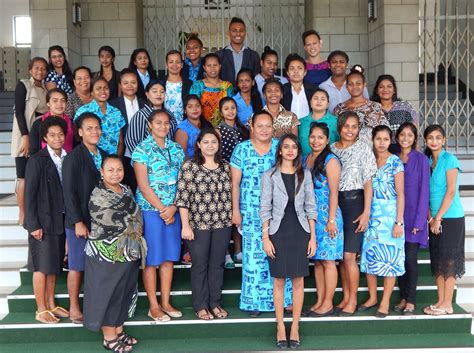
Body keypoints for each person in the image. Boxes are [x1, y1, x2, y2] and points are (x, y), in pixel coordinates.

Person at [230, 111, 292, 316]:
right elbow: (235, 184)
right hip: (250, 211)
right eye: (260, 125)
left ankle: (284, 300)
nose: (264, 129)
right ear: (252, 126)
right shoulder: (242, 149)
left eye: (268, 125)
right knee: (253, 257)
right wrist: (236, 211)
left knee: (280, 254)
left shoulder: (279, 148)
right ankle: (254, 301)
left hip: (279, 212)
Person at [84, 155, 146, 352]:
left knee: (123, 291)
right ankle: (108, 337)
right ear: (102, 172)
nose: (115, 173)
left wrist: (132, 223)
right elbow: (112, 219)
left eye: (119, 169)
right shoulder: (98, 194)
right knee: (106, 293)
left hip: (128, 251)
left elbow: (136, 214)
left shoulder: (126, 189)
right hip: (105, 253)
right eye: (110, 170)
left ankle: (118, 329)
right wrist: (131, 221)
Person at [260, 134, 317, 349]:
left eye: (294, 147)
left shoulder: (305, 175)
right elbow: (264, 208)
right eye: (286, 146)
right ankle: (280, 326)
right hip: (278, 232)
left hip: (300, 231)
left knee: (298, 280)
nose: (291, 150)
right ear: (280, 150)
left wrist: (312, 237)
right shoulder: (270, 175)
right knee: (279, 281)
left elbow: (310, 207)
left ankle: (295, 326)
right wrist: (266, 237)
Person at [132, 109, 185, 322]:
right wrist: (163, 209)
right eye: (158, 123)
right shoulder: (142, 149)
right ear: (149, 125)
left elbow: (183, 181)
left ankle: (165, 302)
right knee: (152, 259)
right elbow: (143, 185)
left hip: (173, 210)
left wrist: (173, 207)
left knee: (169, 258)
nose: (163, 126)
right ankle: (153, 306)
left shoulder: (176, 149)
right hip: (151, 210)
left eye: (166, 123)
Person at [176, 129, 233, 320]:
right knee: (200, 265)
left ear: (219, 145)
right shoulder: (190, 166)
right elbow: (183, 198)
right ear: (198, 144)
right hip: (197, 224)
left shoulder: (225, 166)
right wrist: (185, 226)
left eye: (214, 142)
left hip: (222, 223)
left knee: (217, 264)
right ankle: (201, 305)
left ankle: (215, 303)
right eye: (206, 142)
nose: (210, 145)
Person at [62, 112, 107, 325]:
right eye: (89, 128)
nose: (94, 131)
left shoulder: (105, 155)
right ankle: (74, 307)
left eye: (97, 127)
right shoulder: (73, 157)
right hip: (81, 222)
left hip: (102, 222)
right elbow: (69, 192)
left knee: (98, 266)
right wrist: (77, 221)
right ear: (80, 132)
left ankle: (95, 306)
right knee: (77, 265)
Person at [330, 112, 376, 316]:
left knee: (350, 255)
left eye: (354, 126)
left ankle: (353, 300)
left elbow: (368, 182)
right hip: (335, 204)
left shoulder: (363, 149)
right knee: (341, 255)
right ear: (339, 127)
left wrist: (366, 212)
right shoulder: (331, 149)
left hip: (355, 203)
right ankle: (346, 297)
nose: (350, 129)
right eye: (346, 126)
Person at [24, 117, 69, 324]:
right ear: (44, 137)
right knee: (41, 267)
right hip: (42, 221)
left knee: (53, 265)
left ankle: (51, 304)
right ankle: (40, 309)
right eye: (52, 135)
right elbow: (29, 194)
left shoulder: (67, 157)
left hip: (59, 219)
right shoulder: (37, 159)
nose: (57, 138)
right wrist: (33, 224)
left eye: (60, 134)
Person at [359, 125, 405, 318]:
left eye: (385, 139)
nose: (381, 143)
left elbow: (401, 195)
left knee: (389, 259)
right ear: (373, 139)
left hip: (390, 217)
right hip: (371, 216)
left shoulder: (395, 162)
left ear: (390, 141)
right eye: (378, 139)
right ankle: (372, 297)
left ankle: (385, 301)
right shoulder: (368, 159)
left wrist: (399, 222)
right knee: (370, 257)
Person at [423, 125, 465, 316]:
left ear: (444, 140)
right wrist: (431, 217)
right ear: (425, 141)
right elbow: (426, 193)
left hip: (450, 218)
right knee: (438, 261)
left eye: (438, 137)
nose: (434, 141)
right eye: (430, 138)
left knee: (449, 262)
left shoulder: (450, 160)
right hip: (435, 218)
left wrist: (438, 218)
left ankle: (448, 304)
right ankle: (440, 301)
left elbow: (450, 192)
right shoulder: (428, 161)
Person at [303, 122, 344, 317]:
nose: (316, 140)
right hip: (312, 218)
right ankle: (320, 301)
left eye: (320, 137)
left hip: (329, 216)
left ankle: (328, 303)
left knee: (328, 261)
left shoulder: (330, 160)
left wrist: (331, 219)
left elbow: (334, 192)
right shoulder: (306, 159)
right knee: (318, 261)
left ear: (327, 140)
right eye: (313, 137)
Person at [393, 122, 430, 315]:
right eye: (402, 134)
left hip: (414, 217)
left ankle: (412, 300)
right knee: (399, 260)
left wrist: (419, 222)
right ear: (397, 137)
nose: (405, 138)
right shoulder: (393, 158)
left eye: (410, 135)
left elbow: (425, 192)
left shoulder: (421, 160)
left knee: (410, 259)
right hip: (396, 217)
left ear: (415, 138)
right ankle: (403, 298)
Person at [11, 57, 49, 225]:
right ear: (30, 70)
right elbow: (19, 112)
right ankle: (22, 212)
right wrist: (25, 136)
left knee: (36, 176)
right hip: (25, 134)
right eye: (36, 68)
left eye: (43, 68)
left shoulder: (46, 89)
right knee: (23, 177)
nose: (39, 71)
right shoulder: (24, 85)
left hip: (41, 135)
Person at [217, 97, 250, 268]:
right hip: (223, 176)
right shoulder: (218, 131)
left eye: (233, 108)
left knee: (238, 213)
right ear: (221, 112)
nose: (230, 111)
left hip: (242, 177)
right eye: (226, 108)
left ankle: (238, 249)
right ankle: (225, 252)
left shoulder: (243, 130)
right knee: (225, 214)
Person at [109, 69, 147, 190]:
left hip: (143, 155)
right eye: (126, 83)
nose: (130, 86)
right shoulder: (113, 105)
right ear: (120, 85)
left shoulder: (145, 104)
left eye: (133, 82)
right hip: (123, 154)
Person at [333, 66, 388, 144]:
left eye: (358, 83)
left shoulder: (375, 107)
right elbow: (334, 134)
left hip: (369, 153)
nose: (354, 87)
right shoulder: (339, 108)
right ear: (346, 86)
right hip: (345, 153)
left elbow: (384, 132)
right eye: (350, 84)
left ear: (364, 84)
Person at [125, 80, 176, 160]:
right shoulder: (141, 115)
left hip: (169, 160)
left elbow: (174, 138)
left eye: (162, 92)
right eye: (154, 91)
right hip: (148, 162)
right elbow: (132, 140)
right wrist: (143, 160)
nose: (159, 94)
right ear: (147, 94)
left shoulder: (170, 114)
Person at [74, 77, 126, 155]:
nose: (103, 91)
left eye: (106, 88)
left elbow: (121, 141)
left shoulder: (116, 112)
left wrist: (115, 160)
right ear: (91, 92)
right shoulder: (83, 111)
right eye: (98, 88)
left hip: (112, 162)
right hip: (90, 159)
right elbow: (77, 138)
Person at [371, 74, 419, 152]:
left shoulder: (404, 106)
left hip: (403, 150)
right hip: (379, 152)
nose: (385, 89)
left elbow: (414, 130)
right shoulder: (371, 109)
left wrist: (416, 149)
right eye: (381, 87)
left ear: (394, 90)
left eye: (389, 86)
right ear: (376, 91)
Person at [190, 53, 233, 127]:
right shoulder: (198, 85)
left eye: (215, 65)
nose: (212, 68)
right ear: (204, 67)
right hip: (202, 127)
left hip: (225, 127)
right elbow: (192, 107)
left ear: (220, 66)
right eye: (209, 65)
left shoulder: (227, 86)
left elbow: (232, 107)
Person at [29, 88, 74, 156]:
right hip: (44, 164)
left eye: (63, 101)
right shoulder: (38, 124)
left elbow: (77, 148)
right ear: (48, 103)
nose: (59, 104)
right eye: (55, 101)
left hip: (69, 163)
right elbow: (33, 151)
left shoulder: (72, 123)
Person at [216, 17, 260, 86]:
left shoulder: (253, 55)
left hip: (247, 95)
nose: (238, 34)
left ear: (245, 33)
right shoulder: (220, 55)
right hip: (225, 94)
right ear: (229, 33)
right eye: (234, 31)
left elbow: (256, 78)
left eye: (241, 31)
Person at [298, 89, 339, 156]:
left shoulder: (336, 122)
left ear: (328, 104)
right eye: (316, 98)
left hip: (327, 162)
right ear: (310, 103)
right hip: (304, 163)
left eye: (322, 99)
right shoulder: (301, 122)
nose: (319, 101)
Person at [175, 95, 212, 159]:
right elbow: (182, 157)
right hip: (192, 166)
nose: (194, 109)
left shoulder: (207, 124)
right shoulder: (182, 130)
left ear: (201, 108)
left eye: (197, 106)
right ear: (185, 110)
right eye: (190, 107)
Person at [282, 53, 318, 119]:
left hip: (309, 127)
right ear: (287, 73)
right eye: (292, 68)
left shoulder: (314, 90)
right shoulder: (282, 90)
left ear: (305, 72)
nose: (296, 71)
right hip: (289, 128)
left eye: (300, 68)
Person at [164, 50, 193, 124]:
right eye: (171, 62)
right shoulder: (160, 82)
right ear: (166, 65)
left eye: (178, 62)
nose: (174, 65)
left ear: (182, 64)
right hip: (164, 125)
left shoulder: (189, 83)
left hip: (184, 125)